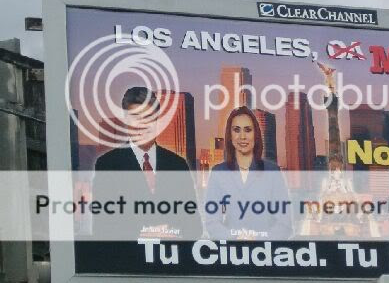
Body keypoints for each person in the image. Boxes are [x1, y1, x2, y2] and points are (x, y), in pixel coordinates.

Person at [92, 86, 202, 239]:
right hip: (129, 254)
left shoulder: (178, 165)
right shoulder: (108, 165)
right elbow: (102, 228)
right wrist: (141, 234)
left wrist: (172, 233)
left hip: (170, 252)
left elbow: (194, 227)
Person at [204, 106, 293, 240]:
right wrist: (235, 238)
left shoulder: (272, 171)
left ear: (255, 135)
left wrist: (259, 239)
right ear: (230, 136)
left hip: (265, 249)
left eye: (248, 130)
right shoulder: (218, 172)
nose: (242, 136)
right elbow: (212, 222)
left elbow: (285, 224)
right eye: (236, 130)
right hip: (231, 248)